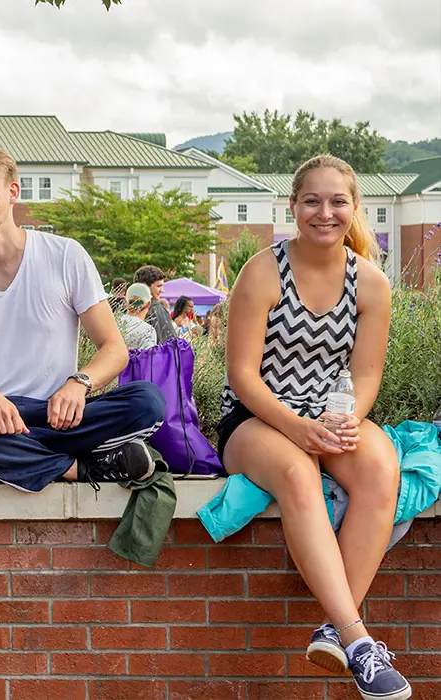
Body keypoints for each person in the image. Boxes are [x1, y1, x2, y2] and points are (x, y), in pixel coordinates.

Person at [220, 155, 410, 699]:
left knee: (379, 466)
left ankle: (333, 631)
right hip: (257, 416)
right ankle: (359, 640)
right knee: (299, 475)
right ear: (293, 207)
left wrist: (347, 419)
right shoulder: (262, 271)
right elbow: (241, 377)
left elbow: (366, 372)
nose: (324, 213)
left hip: (328, 412)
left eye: (337, 202)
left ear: (355, 210)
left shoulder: (371, 283)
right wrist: (298, 429)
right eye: (312, 201)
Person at [0, 146, 165, 492]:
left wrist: (79, 383)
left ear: (13, 191)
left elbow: (114, 349)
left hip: (59, 415)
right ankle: (77, 468)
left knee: (147, 402)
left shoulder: (65, 255)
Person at [133, 265, 175, 343]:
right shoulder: (155, 308)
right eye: (159, 286)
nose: (162, 291)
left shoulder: (129, 309)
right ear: (145, 287)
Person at [121, 283, 157, 350]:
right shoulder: (148, 330)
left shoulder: (114, 323)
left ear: (126, 303)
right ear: (149, 304)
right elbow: (147, 358)